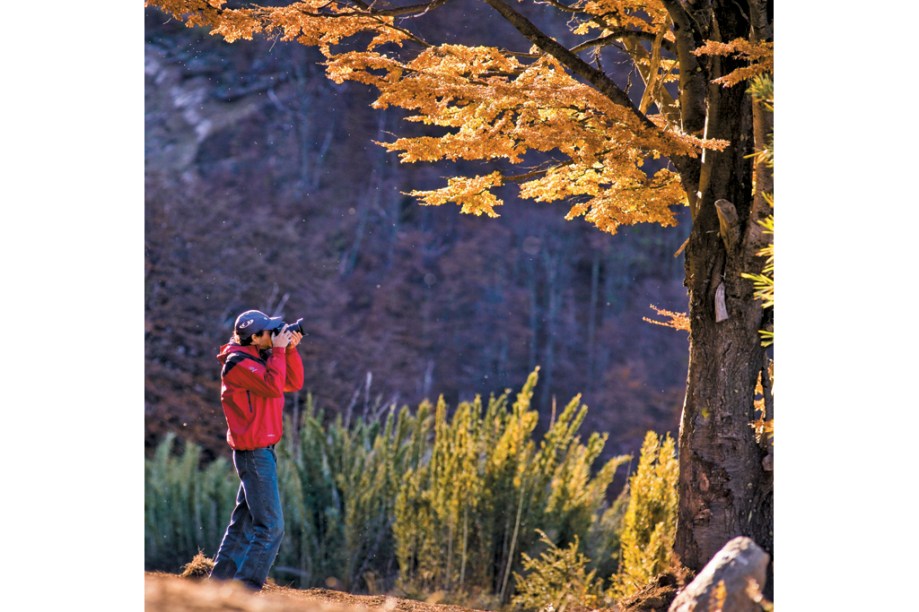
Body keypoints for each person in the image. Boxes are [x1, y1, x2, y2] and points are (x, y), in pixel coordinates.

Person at [209, 309, 305, 591]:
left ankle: (217, 587)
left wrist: (287, 352)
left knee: (243, 526)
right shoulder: (238, 363)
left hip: (262, 452)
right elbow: (274, 387)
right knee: (270, 528)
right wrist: (277, 353)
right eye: (269, 332)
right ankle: (244, 592)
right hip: (254, 454)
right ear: (254, 337)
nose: (274, 335)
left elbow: (292, 383)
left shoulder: (258, 358)